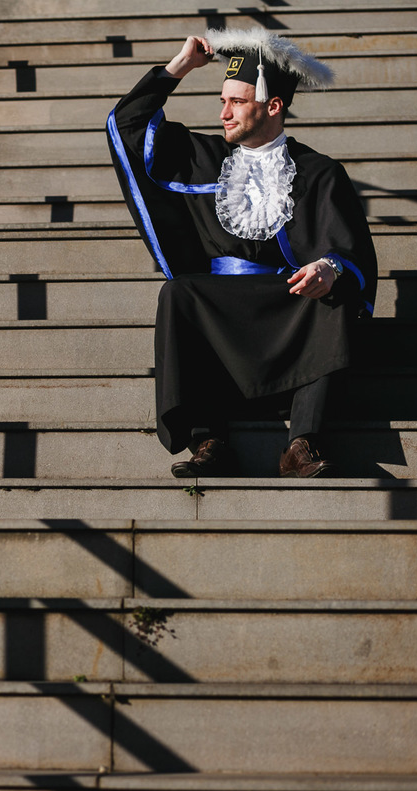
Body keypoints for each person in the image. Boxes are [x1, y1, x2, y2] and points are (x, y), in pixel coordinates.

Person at [106, 28, 377, 478]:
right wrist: (179, 67)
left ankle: (302, 443)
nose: (223, 113)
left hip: (286, 305)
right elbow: (127, 124)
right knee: (178, 293)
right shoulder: (202, 157)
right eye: (222, 100)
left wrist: (329, 269)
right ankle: (208, 440)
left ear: (273, 106)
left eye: (236, 101)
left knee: (330, 294)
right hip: (220, 308)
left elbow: (347, 247)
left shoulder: (320, 171)